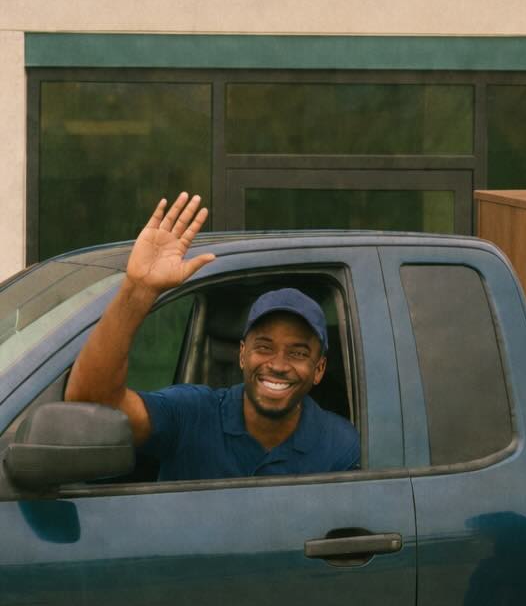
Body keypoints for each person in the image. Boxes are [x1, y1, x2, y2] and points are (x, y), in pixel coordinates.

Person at [65, 192, 360, 479]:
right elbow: (92, 402)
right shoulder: (192, 414)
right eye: (264, 347)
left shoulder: (339, 445)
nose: (278, 364)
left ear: (319, 368)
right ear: (242, 354)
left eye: (297, 353)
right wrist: (138, 289)